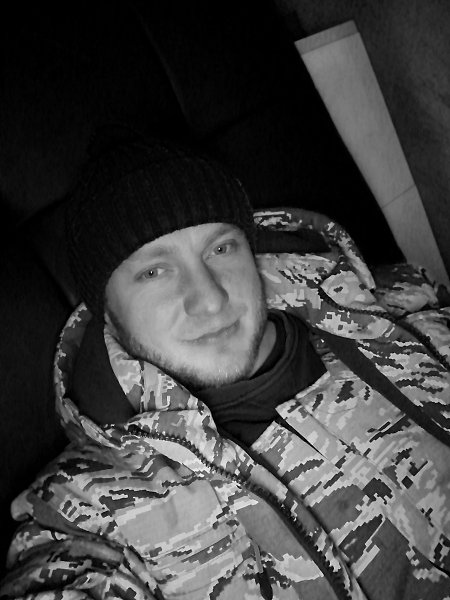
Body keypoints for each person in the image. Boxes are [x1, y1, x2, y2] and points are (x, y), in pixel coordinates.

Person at [1, 132, 449, 600]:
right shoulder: (89, 506)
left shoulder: (406, 315)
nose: (210, 299)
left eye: (220, 249)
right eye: (154, 272)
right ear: (107, 315)